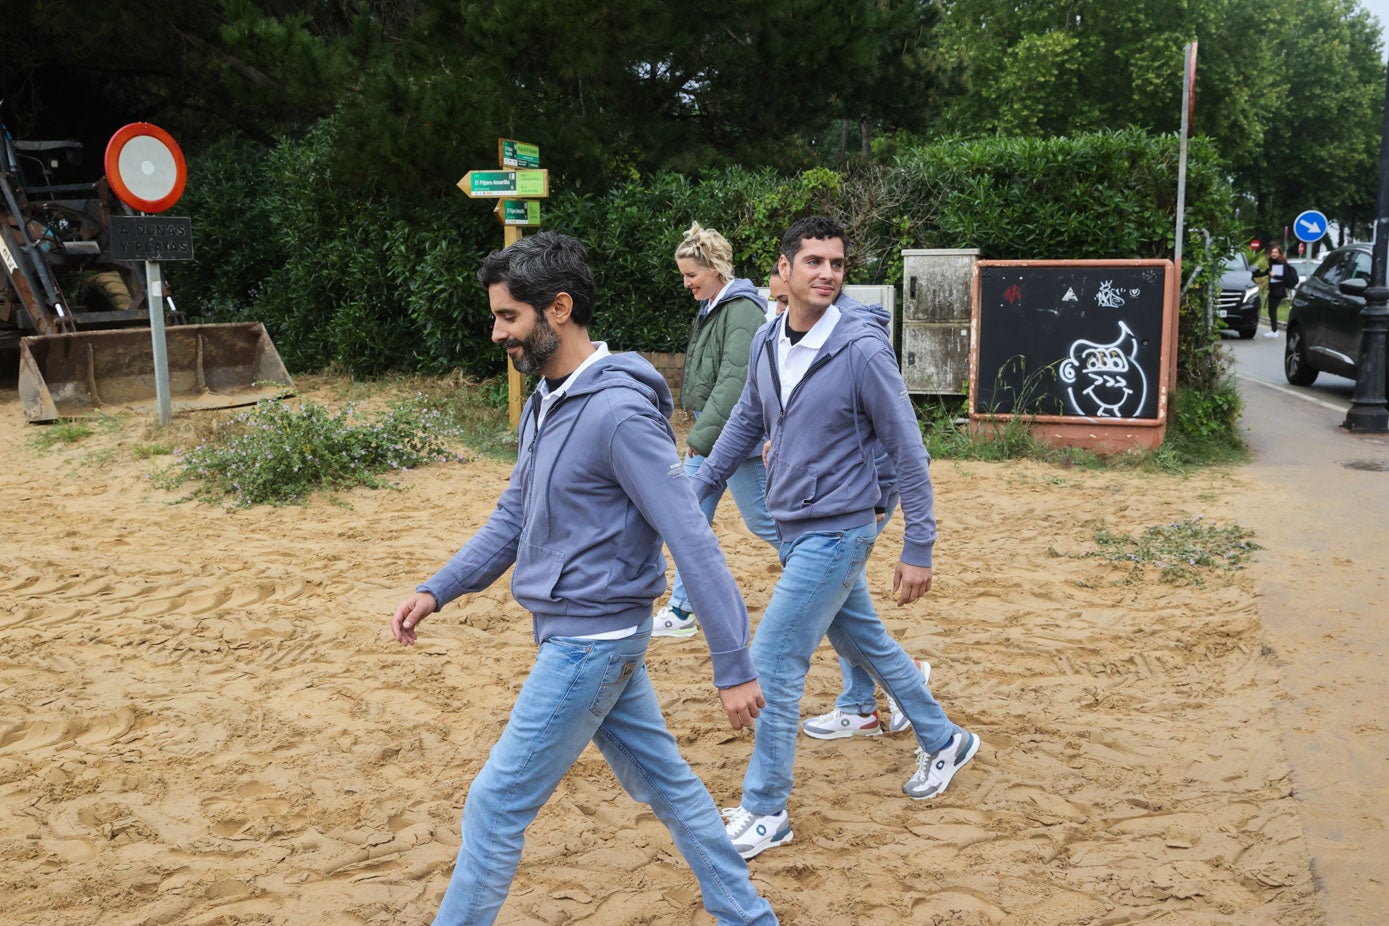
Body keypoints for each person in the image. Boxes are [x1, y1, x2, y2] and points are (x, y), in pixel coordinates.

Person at [390, 231, 777, 926]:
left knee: (496, 800)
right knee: (671, 787)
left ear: (558, 309)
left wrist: (733, 664)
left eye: (509, 317)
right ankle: (748, 917)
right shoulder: (546, 398)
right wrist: (437, 588)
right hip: (591, 635)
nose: (496, 332)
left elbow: (691, 538)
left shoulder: (619, 412)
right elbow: (513, 515)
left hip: (590, 642)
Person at [692, 216, 981, 860]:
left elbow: (910, 449)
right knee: (866, 640)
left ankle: (765, 810)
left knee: (771, 663)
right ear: (784, 270)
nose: (827, 274)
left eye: (838, 264)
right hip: (796, 528)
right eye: (814, 262)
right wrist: (700, 493)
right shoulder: (769, 340)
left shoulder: (861, 348)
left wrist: (919, 545)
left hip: (840, 530)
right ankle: (943, 738)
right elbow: (744, 422)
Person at [767, 263, 935, 740]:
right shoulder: (786, 342)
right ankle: (868, 704)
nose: (777, 312)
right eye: (776, 302)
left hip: (853, 502)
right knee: (846, 613)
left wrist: (889, 510)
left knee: (816, 615)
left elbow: (900, 446)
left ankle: (890, 695)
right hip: (813, 507)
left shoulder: (858, 346)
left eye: (781, 301)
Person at [654, 223, 779, 638]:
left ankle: (823, 563)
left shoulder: (741, 310)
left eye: (692, 275)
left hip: (730, 438)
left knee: (763, 521)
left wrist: (700, 440)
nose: (687, 284)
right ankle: (681, 611)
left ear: (716, 268)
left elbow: (734, 383)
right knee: (691, 518)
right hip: (721, 433)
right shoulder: (717, 306)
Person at [1252, 244, 1296, 337]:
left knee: (1272, 310)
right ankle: (1274, 330)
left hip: (1278, 290)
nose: (1274, 254)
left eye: (1276, 252)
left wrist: (1274, 276)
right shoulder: (1272, 263)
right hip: (1273, 290)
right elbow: (1265, 273)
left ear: (1280, 254)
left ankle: (1274, 331)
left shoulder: (1281, 263)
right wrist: (1253, 274)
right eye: (1272, 252)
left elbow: (1285, 277)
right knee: (1272, 310)